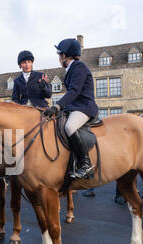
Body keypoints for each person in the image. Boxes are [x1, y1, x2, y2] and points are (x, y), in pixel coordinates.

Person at [45, 39, 99, 180]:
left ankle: (86, 165)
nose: (58, 58)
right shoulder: (70, 69)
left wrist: (57, 106)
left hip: (84, 107)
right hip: (74, 107)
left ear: (64, 56)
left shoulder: (79, 67)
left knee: (69, 127)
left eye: (59, 55)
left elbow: (74, 91)